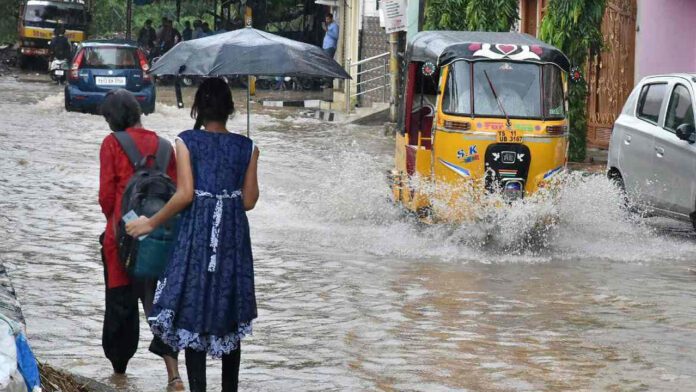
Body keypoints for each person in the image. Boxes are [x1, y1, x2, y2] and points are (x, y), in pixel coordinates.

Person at [126, 78, 260, 392]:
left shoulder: (186, 141)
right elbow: (250, 201)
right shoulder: (248, 147)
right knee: (228, 313)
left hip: (197, 237)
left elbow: (185, 194)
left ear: (199, 107)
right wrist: (245, 161)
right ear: (229, 109)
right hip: (232, 240)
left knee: (193, 310)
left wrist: (150, 223)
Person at [98, 89, 185, 392]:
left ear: (113, 118)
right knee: (159, 307)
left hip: (121, 241)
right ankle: (174, 377)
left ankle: (119, 378)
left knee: (121, 309)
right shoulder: (164, 147)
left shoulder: (111, 144)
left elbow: (107, 198)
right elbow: (177, 195)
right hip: (159, 241)